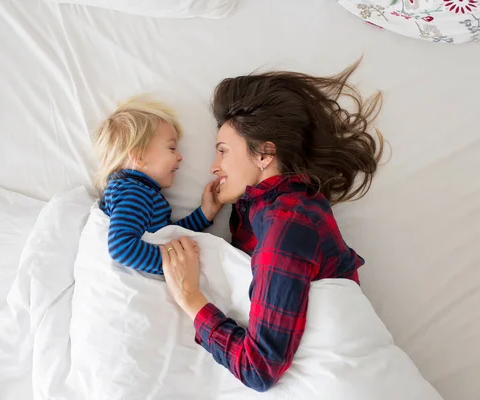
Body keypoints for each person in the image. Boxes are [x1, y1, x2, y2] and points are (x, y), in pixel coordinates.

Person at [161, 60, 384, 392]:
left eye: (222, 152)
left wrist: (190, 297)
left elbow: (259, 368)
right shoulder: (266, 208)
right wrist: (207, 214)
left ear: (264, 154)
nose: (213, 166)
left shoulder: (288, 221)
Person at [93, 97, 222, 275]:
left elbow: (166, 233)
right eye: (171, 148)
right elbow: (121, 247)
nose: (180, 156)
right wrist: (173, 262)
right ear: (139, 157)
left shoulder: (135, 191)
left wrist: (204, 213)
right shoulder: (134, 193)